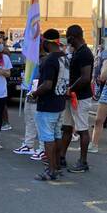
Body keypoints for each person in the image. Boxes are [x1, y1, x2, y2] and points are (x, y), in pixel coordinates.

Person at [29, 29, 67, 180]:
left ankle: (50, 170)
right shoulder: (65, 57)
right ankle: (56, 166)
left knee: (47, 138)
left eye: (43, 41)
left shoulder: (50, 60)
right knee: (57, 135)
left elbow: (47, 85)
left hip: (48, 104)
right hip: (60, 102)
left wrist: (33, 94)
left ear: (47, 42)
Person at [59, 25, 94, 174]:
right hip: (72, 95)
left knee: (82, 129)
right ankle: (61, 157)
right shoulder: (77, 52)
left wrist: (70, 88)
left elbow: (85, 77)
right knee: (66, 127)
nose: (67, 40)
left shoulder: (85, 53)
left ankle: (83, 161)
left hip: (80, 97)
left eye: (68, 37)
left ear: (72, 37)